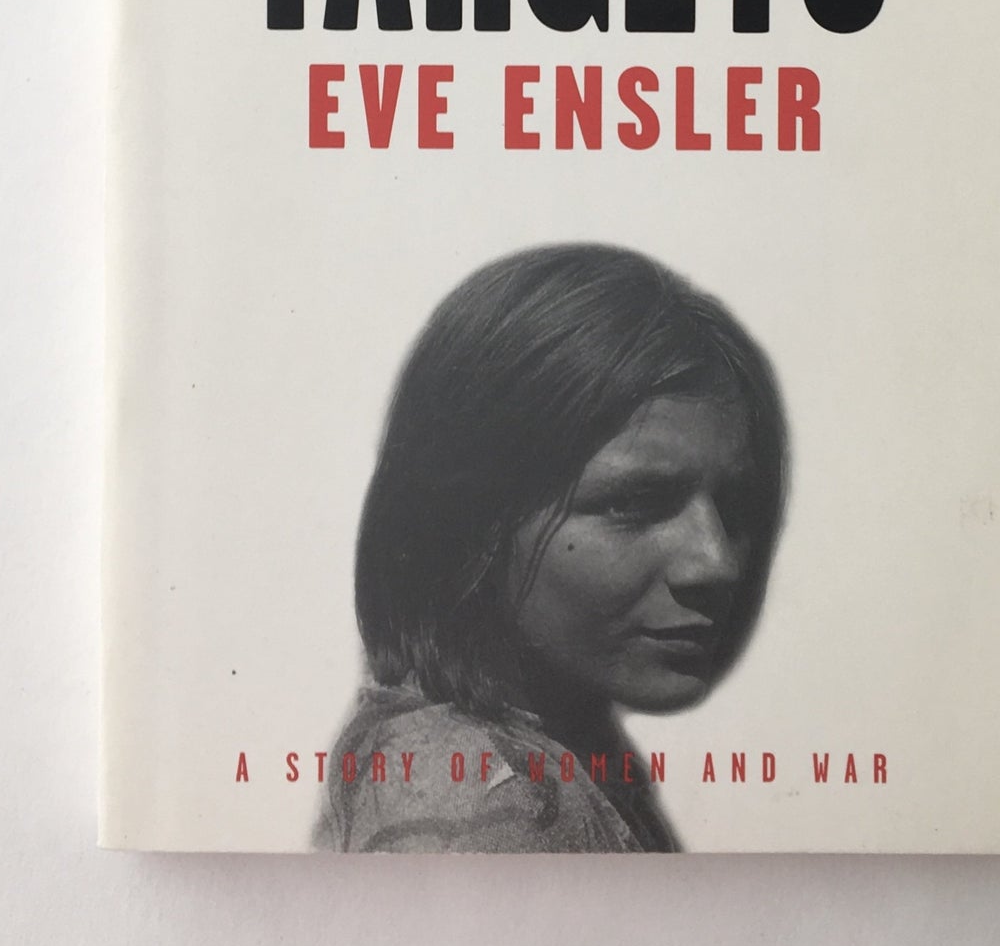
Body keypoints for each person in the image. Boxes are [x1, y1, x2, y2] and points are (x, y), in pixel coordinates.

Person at [315, 242, 788, 852]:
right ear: (471, 521)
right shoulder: (484, 803)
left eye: (737, 507)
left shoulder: (562, 747)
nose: (716, 562)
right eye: (633, 503)